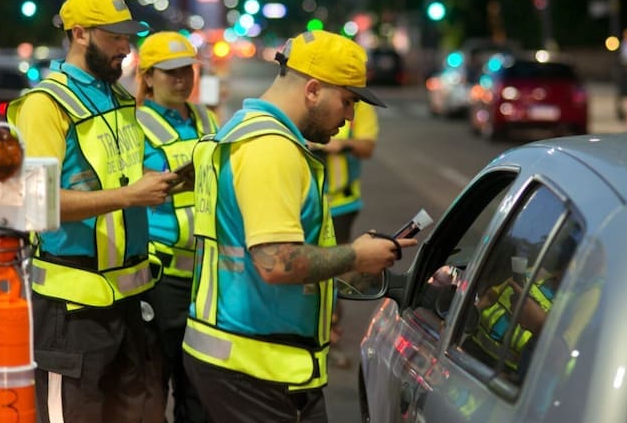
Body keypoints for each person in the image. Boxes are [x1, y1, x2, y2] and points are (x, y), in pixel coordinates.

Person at [182, 29, 417, 422]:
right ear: (312, 90)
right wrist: (356, 255)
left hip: (248, 358)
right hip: (255, 367)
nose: (350, 117)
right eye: (347, 101)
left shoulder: (247, 131)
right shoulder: (271, 149)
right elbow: (277, 262)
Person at [8, 0, 179, 423]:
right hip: (73, 312)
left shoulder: (119, 99)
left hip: (130, 303)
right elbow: (37, 200)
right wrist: (129, 196)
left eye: (129, 36)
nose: (127, 47)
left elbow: (127, 175)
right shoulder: (45, 104)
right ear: (81, 34)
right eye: (116, 36)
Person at [135, 31, 219, 423]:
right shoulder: (134, 126)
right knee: (153, 383)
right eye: (170, 72)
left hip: (208, 276)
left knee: (201, 386)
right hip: (161, 277)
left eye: (187, 69)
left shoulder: (207, 118)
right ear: (148, 77)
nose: (182, 78)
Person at [308, 101, 380, 369]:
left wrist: (341, 145)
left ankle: (330, 335)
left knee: (333, 269)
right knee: (308, 266)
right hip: (308, 202)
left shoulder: (360, 110)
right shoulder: (311, 104)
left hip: (341, 205)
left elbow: (367, 146)